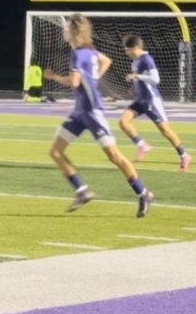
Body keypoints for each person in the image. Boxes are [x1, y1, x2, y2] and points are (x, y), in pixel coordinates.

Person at [45, 14, 153, 216]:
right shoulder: (89, 49)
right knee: (55, 151)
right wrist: (92, 80)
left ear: (74, 30)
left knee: (114, 156)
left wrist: (54, 77)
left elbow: (74, 82)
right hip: (80, 112)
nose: (64, 30)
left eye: (67, 27)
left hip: (92, 112)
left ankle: (143, 192)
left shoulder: (79, 52)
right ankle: (82, 190)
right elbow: (106, 61)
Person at [118, 34, 191, 171]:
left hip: (151, 100)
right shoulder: (136, 61)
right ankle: (142, 145)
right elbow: (141, 80)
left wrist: (137, 76)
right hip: (141, 100)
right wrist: (134, 87)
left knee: (165, 130)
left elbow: (155, 79)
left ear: (135, 48)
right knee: (123, 122)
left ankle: (184, 155)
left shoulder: (146, 59)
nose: (126, 52)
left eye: (127, 49)